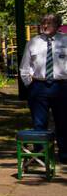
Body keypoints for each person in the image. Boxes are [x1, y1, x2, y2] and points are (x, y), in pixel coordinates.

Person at [19, 12, 67, 159]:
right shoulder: (33, 42)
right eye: (43, 23)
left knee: (64, 123)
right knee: (39, 124)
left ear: (57, 26)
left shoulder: (65, 41)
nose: (45, 26)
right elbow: (24, 68)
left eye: (49, 23)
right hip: (39, 87)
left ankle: (65, 154)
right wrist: (31, 85)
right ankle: (40, 155)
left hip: (62, 87)